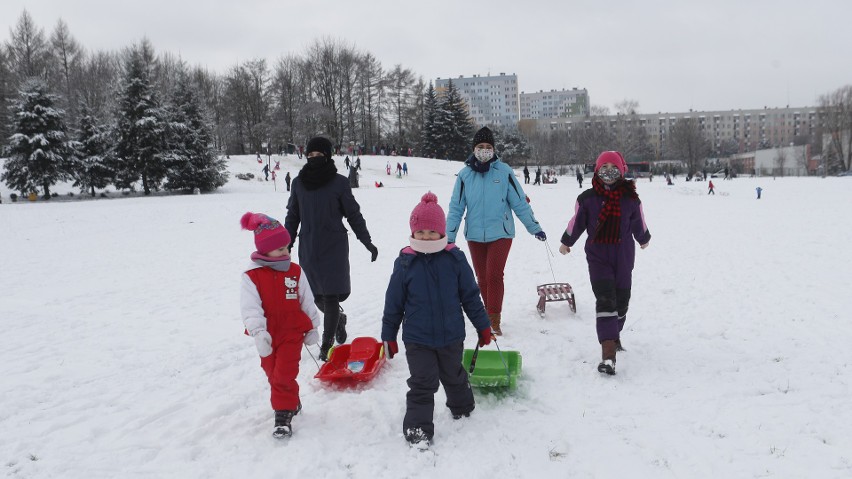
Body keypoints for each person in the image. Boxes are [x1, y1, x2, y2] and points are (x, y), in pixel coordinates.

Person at [381, 192, 493, 447]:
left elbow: (471, 296)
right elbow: (393, 304)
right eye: (421, 232)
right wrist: (389, 335)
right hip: (418, 339)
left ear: (442, 232)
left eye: (432, 232)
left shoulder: (454, 259)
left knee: (453, 374)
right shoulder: (405, 263)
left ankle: (462, 405)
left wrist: (483, 325)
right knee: (422, 383)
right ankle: (419, 428)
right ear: (413, 232)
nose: (426, 237)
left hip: (451, 335)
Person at [284, 136, 378, 361]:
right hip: (309, 246)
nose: (314, 158)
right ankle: (339, 321)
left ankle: (326, 346)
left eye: (318, 155)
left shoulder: (339, 183)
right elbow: (293, 216)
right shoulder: (299, 183)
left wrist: (366, 241)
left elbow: (353, 214)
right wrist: (286, 244)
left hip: (334, 247)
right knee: (316, 296)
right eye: (310, 155)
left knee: (332, 295)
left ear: (327, 156)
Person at [558, 151, 651, 376]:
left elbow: (639, 222)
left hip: (624, 256)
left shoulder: (631, 199)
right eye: (604, 166)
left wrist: (644, 238)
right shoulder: (587, 198)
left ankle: (615, 333)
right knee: (606, 299)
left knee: (622, 302)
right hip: (598, 256)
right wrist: (566, 241)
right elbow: (577, 222)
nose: (608, 170)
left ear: (622, 170)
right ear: (597, 170)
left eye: (613, 166)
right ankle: (608, 354)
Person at [446, 126, 545, 336]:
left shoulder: (504, 172)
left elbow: (519, 202)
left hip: (501, 233)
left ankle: (493, 319)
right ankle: (487, 315)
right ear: (474, 149)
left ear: (494, 149)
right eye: (480, 146)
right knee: (481, 278)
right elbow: (456, 207)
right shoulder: (464, 176)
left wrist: (534, 227)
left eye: (488, 146)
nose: (484, 150)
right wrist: (449, 237)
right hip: (474, 234)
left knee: (493, 275)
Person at [239, 212, 321, 438]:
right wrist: (258, 332)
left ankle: (282, 415)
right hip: (267, 333)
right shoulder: (252, 276)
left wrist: (313, 326)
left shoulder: (295, 271)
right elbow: (250, 307)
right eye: (280, 249)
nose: (286, 252)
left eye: (287, 247)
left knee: (284, 373)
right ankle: (291, 400)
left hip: (292, 330)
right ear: (264, 251)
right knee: (272, 372)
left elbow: (306, 298)